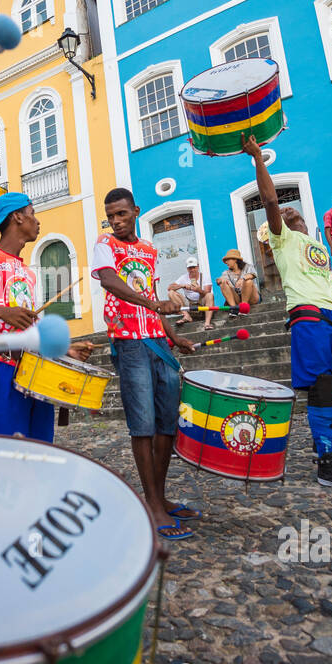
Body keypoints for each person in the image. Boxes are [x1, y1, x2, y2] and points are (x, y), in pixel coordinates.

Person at [241, 135, 332, 494]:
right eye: (281, 213)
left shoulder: (315, 245)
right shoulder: (282, 240)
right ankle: (327, 462)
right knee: (322, 388)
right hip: (308, 319)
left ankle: (326, 435)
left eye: (290, 210)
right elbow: (268, 198)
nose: (286, 210)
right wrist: (257, 159)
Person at [92, 188, 197, 540]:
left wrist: (174, 336)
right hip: (129, 343)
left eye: (122, 214)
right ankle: (151, 503)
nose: (116, 221)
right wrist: (150, 306)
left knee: (167, 425)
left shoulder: (149, 250)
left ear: (135, 211)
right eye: (111, 215)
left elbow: (153, 298)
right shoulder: (105, 244)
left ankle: (160, 497)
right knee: (143, 425)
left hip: (159, 342)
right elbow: (108, 279)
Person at [0, 192, 91, 441]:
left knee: (39, 450)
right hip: (1, 368)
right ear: (17, 217)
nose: (37, 221)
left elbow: (29, 329)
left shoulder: (27, 272)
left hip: (36, 370)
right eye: (32, 214)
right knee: (3, 453)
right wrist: (0, 311)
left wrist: (64, 351)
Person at [168, 256, 216, 330]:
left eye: (194, 267)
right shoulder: (183, 277)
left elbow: (207, 292)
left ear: (198, 267)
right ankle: (186, 315)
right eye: (190, 268)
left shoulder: (205, 276)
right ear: (187, 269)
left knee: (209, 295)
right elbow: (169, 288)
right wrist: (182, 285)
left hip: (202, 301)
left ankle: (207, 323)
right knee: (171, 293)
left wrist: (199, 290)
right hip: (189, 302)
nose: (192, 270)